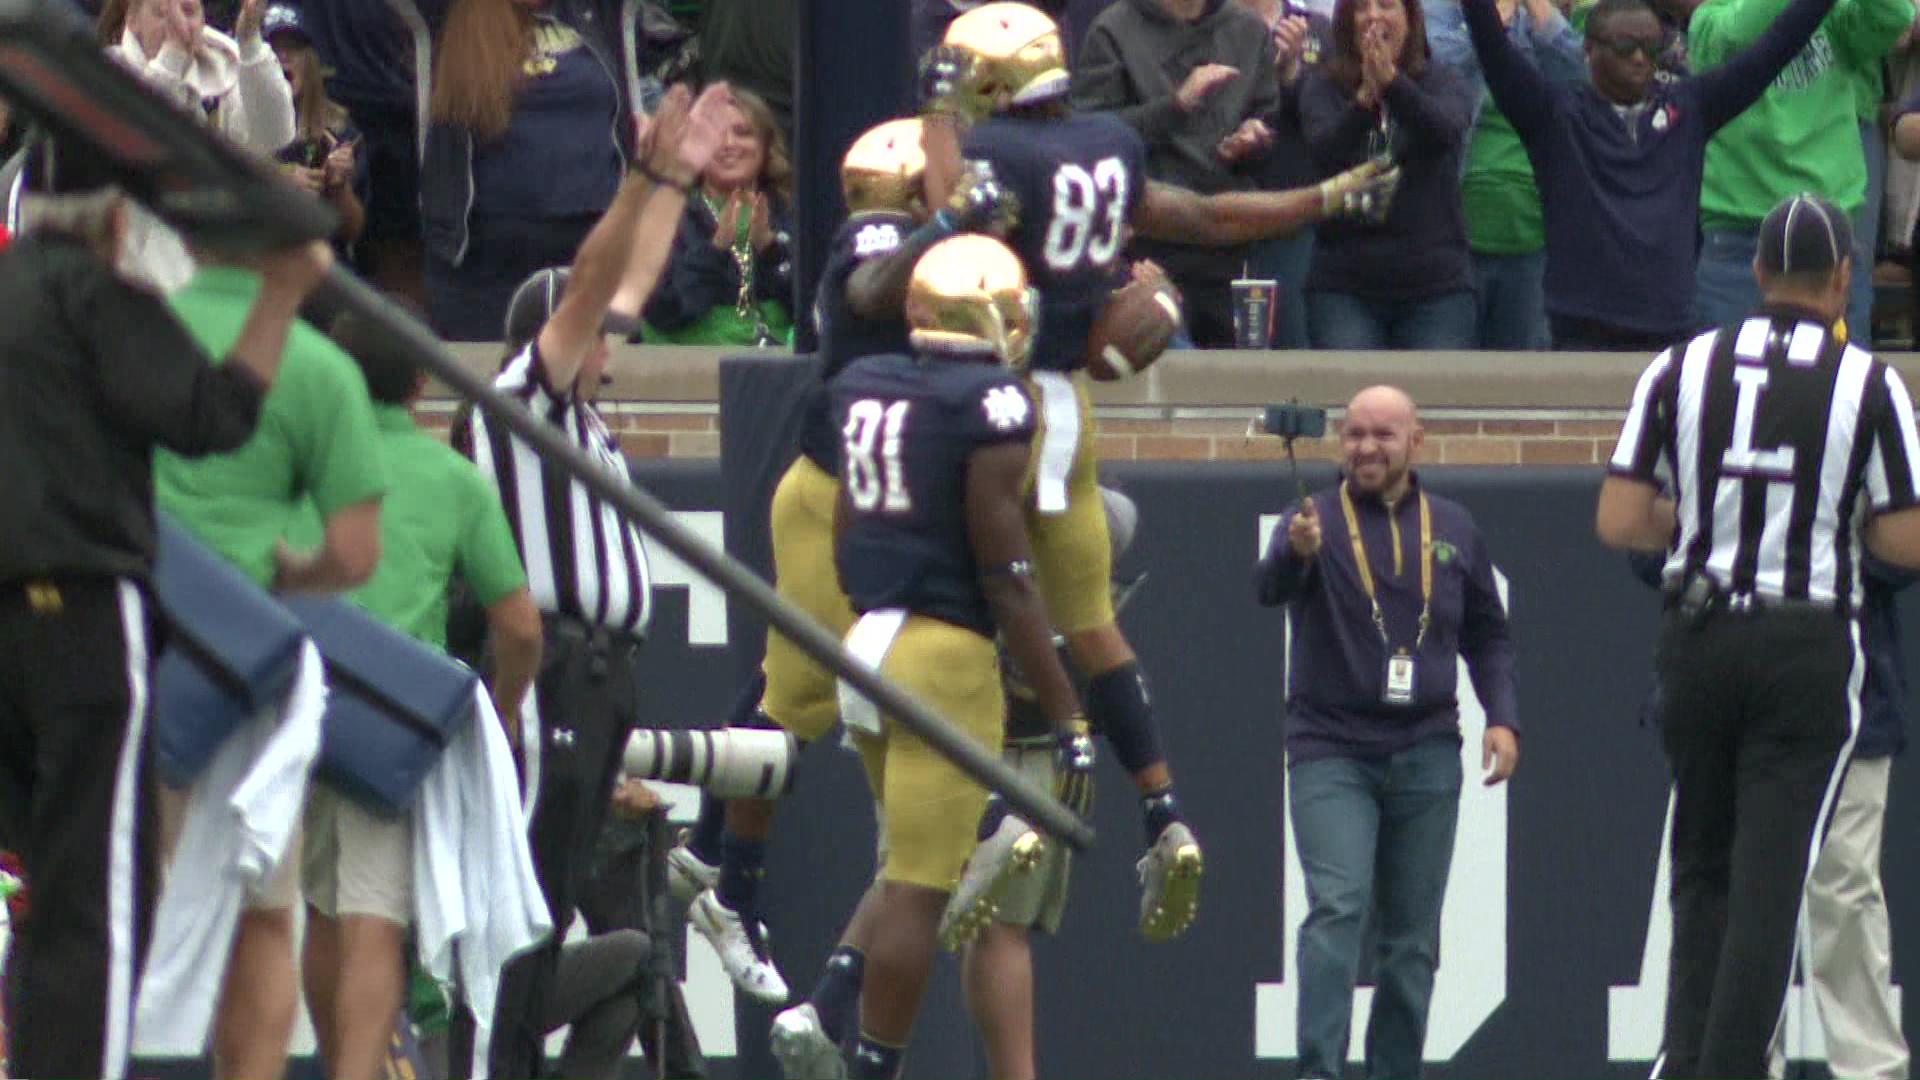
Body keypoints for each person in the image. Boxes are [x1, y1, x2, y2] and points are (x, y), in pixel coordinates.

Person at [922, 0, 1401, 944]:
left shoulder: (1004, 159)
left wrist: (937, 110)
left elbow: (949, 223)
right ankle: (1162, 809)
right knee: (1092, 625)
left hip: (997, 407)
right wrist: (1327, 196)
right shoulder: (1105, 143)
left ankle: (1016, 794)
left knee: (962, 612)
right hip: (1074, 406)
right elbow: (1213, 216)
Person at [671, 116, 1019, 1007]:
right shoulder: (880, 235)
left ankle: (719, 863)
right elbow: (874, 291)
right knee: (800, 702)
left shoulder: (920, 241)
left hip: (870, 493)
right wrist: (948, 226)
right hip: (839, 494)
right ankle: (726, 878)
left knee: (834, 689)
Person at [0, 173, 329, 1080]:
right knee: (98, 901)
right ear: (115, 219)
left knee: (46, 892)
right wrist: (282, 294)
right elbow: (210, 415)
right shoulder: (88, 287)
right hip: (80, 613)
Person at [1596, 192, 1920, 1080]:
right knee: (1774, 892)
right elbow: (1908, 538)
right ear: (1845, 279)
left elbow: (1621, 517)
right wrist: (1825, 523)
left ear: (1758, 273)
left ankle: (1689, 1056)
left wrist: (1708, 520)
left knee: (1699, 871)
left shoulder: (1683, 363)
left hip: (1698, 639)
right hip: (1805, 643)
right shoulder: (1868, 383)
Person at [449, 81, 730, 1076]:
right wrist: (647, 175)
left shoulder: (587, 426)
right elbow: (592, 295)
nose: (616, 334)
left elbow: (625, 285)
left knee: (559, 907)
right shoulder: (528, 398)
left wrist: (676, 186)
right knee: (523, 905)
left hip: (601, 681)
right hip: (553, 675)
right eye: (597, 327)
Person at [827, 232, 1094, 1080]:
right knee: (919, 885)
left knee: (909, 860)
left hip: (866, 641)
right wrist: (1066, 712)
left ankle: (839, 1015)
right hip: (945, 656)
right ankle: (872, 1064)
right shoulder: (994, 402)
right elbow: (1009, 576)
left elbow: (844, 534)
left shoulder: (862, 382)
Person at [294, 308, 543, 1080]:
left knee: (315, 912)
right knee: (374, 917)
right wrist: (499, 708)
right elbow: (520, 627)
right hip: (391, 730)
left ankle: (340, 1062)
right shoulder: (452, 478)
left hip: (295, 707)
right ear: (420, 382)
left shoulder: (296, 465)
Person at [1253, 384, 1519, 1080]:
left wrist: (1502, 717)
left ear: (1416, 441)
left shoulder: (1455, 526)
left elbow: (1489, 634)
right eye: (1353, 435)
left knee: (1410, 942)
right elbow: (1269, 586)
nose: (1366, 448)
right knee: (1338, 908)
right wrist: (1294, 551)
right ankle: (1320, 1070)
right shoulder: (1312, 518)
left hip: (1428, 750)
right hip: (1330, 748)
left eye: (1382, 435)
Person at [1460, 0, 1848, 350]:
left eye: (1652, 48)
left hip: (1671, 328)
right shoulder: (1554, 115)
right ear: (1589, 50)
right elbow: (1493, 49)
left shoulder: (1690, 109)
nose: (1641, 60)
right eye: (1626, 48)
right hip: (1583, 331)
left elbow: (1772, 50)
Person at [419, 0, 653, 340]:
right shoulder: (444, 17)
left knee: (593, 381)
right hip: (480, 264)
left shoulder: (601, 13)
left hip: (592, 249)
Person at [1689, 0, 1912, 337]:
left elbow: (1893, 17)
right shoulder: (1708, 21)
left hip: (1831, 237)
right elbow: (1738, 35)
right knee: (1732, 383)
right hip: (1741, 241)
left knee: (1841, 385)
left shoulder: (1833, 20)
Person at [1072, 0, 1284, 345]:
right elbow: (1091, 138)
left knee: (1236, 384)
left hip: (1229, 242)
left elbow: (1266, 116)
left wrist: (1252, 139)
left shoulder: (1248, 29)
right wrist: (1175, 106)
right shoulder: (1112, 30)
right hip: (1149, 247)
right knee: (1168, 374)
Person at [1295, 0, 1479, 349]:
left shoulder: (1443, 80)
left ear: (1410, 20)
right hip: (1345, 287)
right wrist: (1364, 100)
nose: (1374, 16)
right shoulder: (1323, 85)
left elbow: (1444, 131)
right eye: (1361, 7)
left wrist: (1393, 83)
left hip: (1436, 288)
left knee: (1436, 399)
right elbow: (1323, 154)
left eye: (1386, 5)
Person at [92, 0, 295, 292]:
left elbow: (274, 134)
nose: (176, 25)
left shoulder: (217, 62)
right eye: (161, 14)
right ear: (132, 20)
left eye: (186, 12)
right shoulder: (107, 70)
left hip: (212, 279)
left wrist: (249, 43)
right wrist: (172, 58)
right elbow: (141, 144)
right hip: (131, 283)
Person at [1424, 0, 1585, 350]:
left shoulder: (1541, 18)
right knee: (1450, 383)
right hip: (1454, 240)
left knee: (1525, 383)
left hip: (1535, 239)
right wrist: (1490, 23)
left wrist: (1537, 8)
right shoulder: (1436, 9)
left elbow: (1578, 75)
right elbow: (1439, 65)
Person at [640, 88, 796, 347]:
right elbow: (663, 312)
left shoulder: (793, 211)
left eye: (743, 133)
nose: (728, 145)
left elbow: (817, 310)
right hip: (694, 372)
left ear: (766, 145)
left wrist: (770, 249)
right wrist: (716, 248)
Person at [264, 4, 366, 263]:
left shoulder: (341, 129)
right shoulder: (236, 121)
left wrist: (338, 189)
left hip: (325, 272)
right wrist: (278, 184)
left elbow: (357, 232)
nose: (282, 56)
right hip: (260, 267)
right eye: (272, 49)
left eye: (293, 48)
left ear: (311, 59)